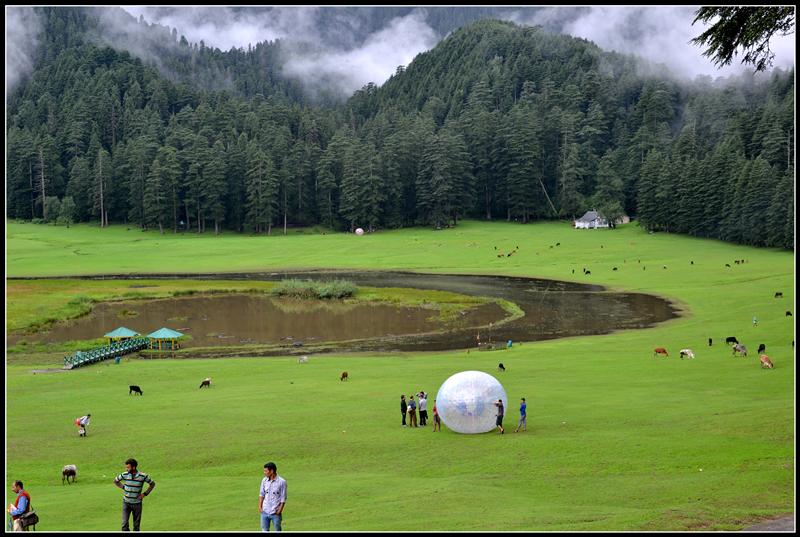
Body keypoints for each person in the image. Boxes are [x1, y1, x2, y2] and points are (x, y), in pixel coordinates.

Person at [114, 458, 155, 531]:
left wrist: (144, 494)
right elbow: (115, 481)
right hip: (126, 502)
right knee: (124, 525)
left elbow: (152, 484)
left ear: (134, 467)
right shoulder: (125, 474)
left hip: (137, 504)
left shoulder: (143, 476)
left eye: (128, 467)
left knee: (136, 527)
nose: (126, 469)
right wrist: (124, 487)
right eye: (126, 467)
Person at [259, 462, 287, 532]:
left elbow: (283, 498)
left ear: (271, 471)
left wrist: (279, 510)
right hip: (264, 511)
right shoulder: (264, 480)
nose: (264, 472)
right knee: (264, 530)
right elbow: (261, 494)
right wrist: (260, 507)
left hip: (275, 513)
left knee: (277, 530)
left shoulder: (282, 482)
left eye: (266, 471)